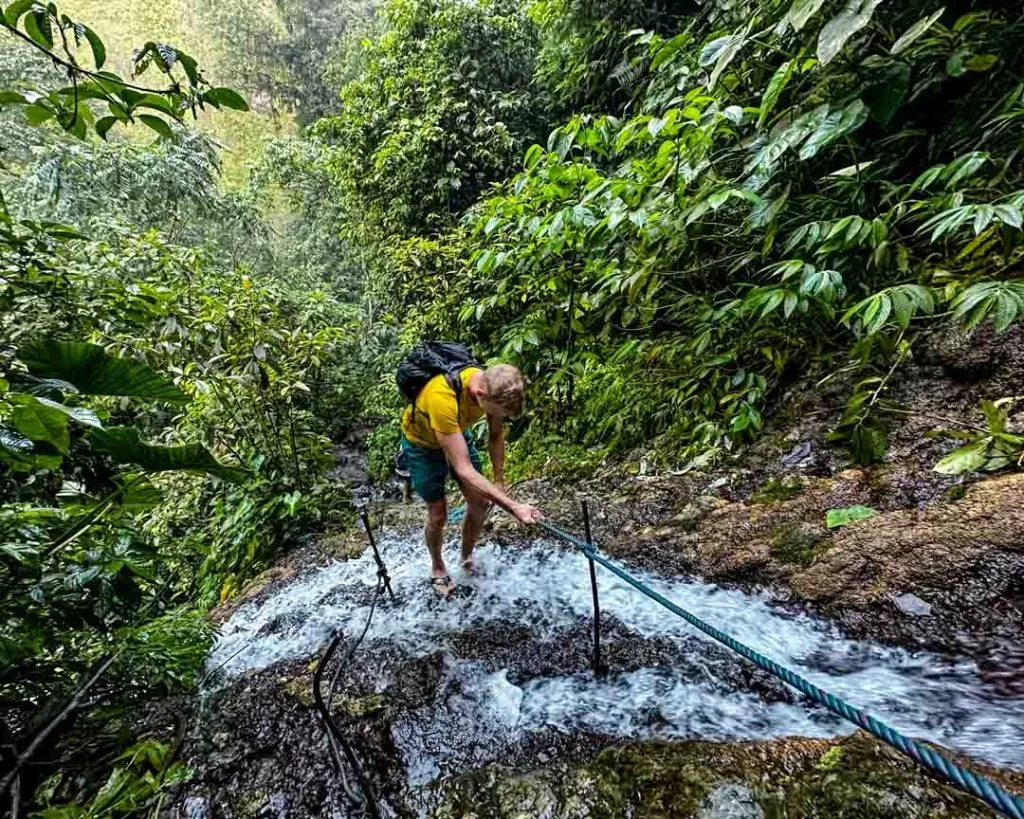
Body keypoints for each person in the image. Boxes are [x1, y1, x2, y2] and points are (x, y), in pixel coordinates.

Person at [400, 362, 542, 596]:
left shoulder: (492, 386)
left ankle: (466, 557)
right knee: (438, 513)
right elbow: (464, 469)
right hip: (423, 444)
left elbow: (496, 435)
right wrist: (514, 507)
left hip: (456, 431)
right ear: (479, 394)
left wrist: (498, 479)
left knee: (480, 501)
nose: (495, 417)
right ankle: (437, 566)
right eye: (494, 412)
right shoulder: (441, 396)